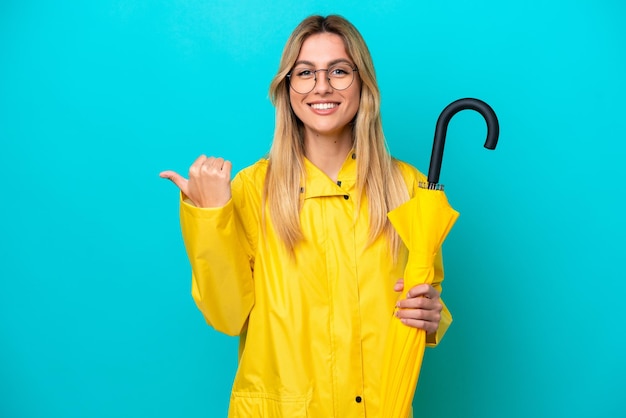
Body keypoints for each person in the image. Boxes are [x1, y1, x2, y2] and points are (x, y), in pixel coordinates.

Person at [160, 14, 452, 418]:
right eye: (305, 73)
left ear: (363, 82)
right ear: (287, 87)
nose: (322, 87)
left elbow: (425, 294)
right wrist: (212, 217)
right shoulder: (251, 189)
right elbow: (226, 315)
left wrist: (432, 314)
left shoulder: (408, 189)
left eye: (339, 71)